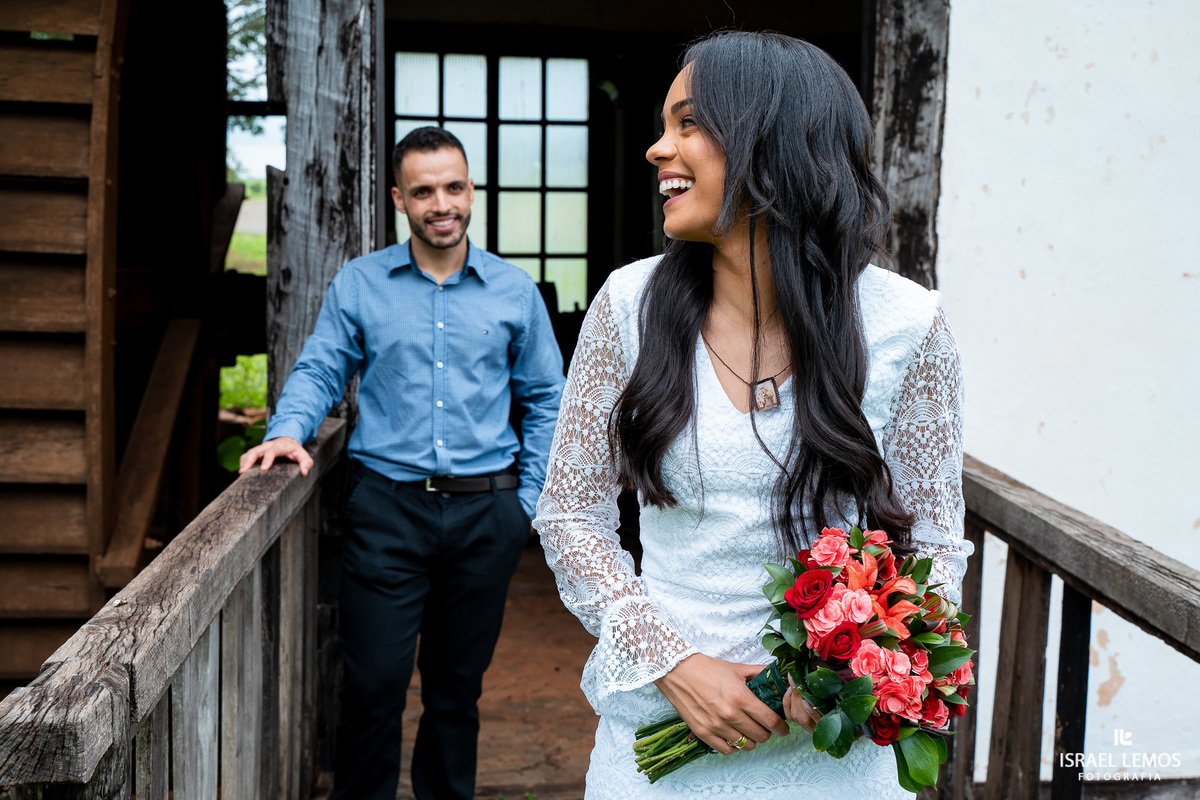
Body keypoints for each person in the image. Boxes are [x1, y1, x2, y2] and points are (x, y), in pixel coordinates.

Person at [533, 31, 973, 798]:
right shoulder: (627, 307)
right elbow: (571, 514)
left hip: (831, 753)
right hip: (660, 737)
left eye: (688, 124)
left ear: (774, 143)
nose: (656, 149)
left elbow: (934, 546)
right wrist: (670, 662)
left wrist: (841, 674)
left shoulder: (909, 324)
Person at [240, 126, 565, 800]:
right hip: (388, 510)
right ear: (399, 199)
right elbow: (321, 367)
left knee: (455, 692)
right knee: (373, 686)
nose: (440, 203)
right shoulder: (361, 285)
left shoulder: (513, 292)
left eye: (452, 187)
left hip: (486, 515)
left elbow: (547, 400)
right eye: (423, 191)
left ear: (471, 190)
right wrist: (287, 431)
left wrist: (526, 503)